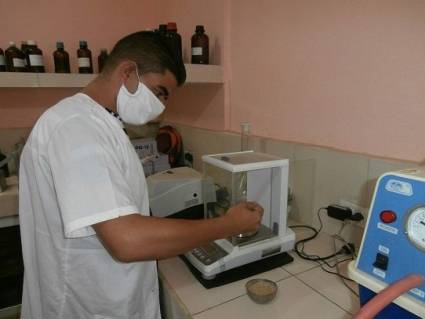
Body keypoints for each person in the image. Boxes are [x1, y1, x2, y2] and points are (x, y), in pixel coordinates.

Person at [18, 31, 263, 319]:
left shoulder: (100, 124)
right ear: (127, 71)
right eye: (159, 92)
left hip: (108, 298)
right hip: (83, 307)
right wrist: (227, 225)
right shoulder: (77, 128)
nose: (161, 107)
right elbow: (128, 240)